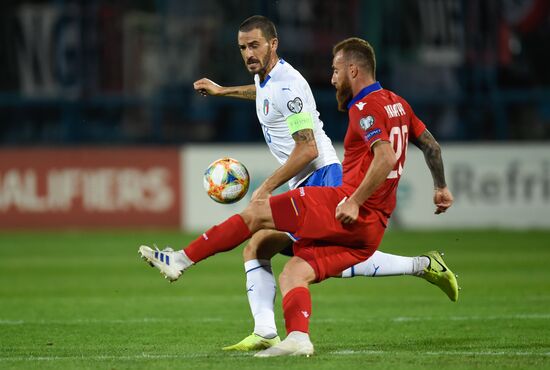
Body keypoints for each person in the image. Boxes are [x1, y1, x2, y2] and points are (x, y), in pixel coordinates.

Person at [141, 33, 456, 356]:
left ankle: (180, 260)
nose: (331, 79)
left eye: (335, 70)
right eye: (242, 47)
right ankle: (280, 334)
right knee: (279, 258)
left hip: (324, 181)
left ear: (352, 70)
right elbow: (430, 144)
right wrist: (441, 187)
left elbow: (317, 149)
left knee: (257, 218)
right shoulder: (395, 102)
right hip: (363, 212)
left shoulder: (357, 105)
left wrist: (270, 187)